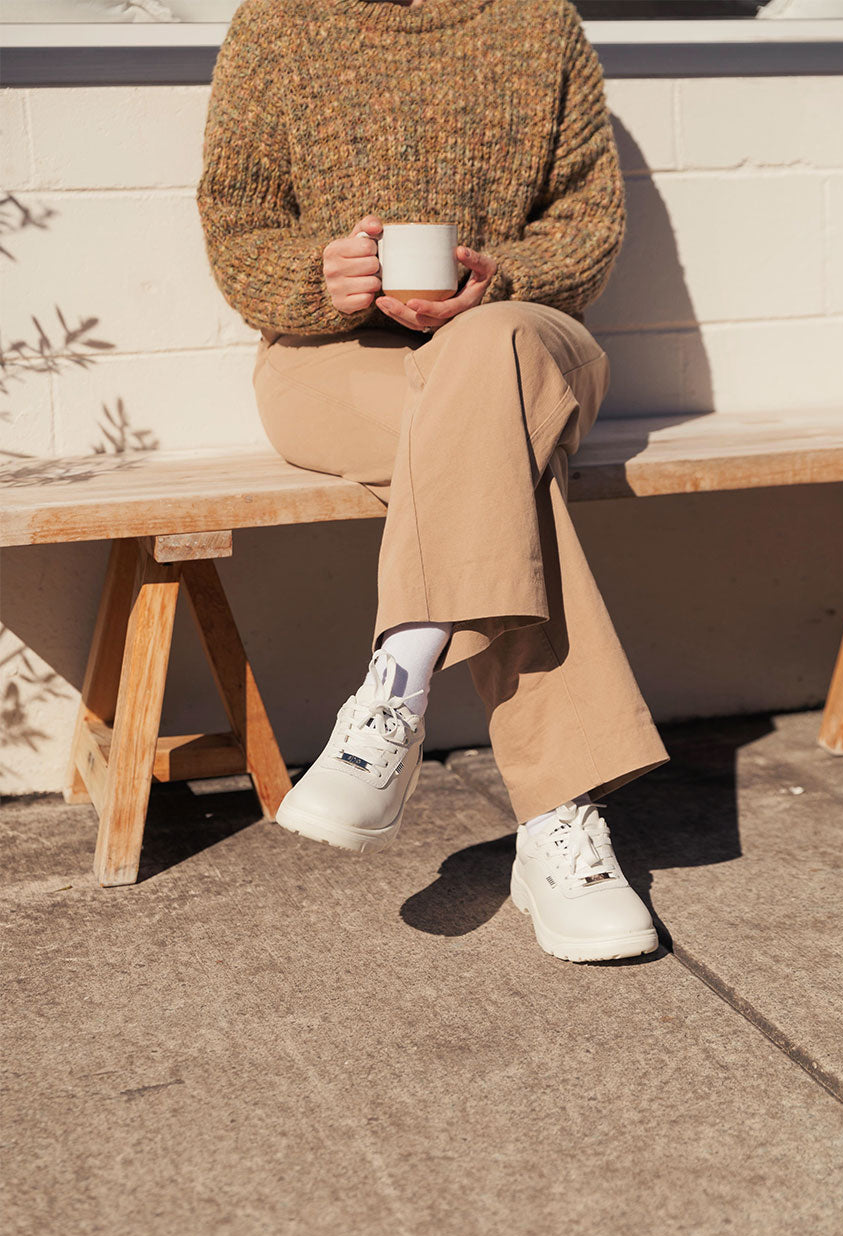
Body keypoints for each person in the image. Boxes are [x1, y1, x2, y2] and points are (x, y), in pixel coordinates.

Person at [195, 0, 670, 963]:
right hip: (332, 362)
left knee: (485, 363)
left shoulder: (541, 24)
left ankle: (398, 679)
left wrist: (501, 280)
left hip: (520, 337)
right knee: (497, 461)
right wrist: (316, 278)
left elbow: (589, 223)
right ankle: (558, 821)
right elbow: (237, 227)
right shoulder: (280, 24)